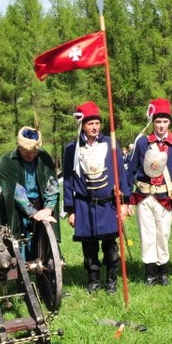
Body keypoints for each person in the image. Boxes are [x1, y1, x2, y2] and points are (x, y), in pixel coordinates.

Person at [62, 101, 130, 294]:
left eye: (97, 123)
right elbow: (68, 181)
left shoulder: (111, 144)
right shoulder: (71, 149)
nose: (94, 127)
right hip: (84, 205)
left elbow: (121, 175)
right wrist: (71, 210)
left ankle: (111, 281)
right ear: (82, 125)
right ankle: (93, 281)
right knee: (89, 249)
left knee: (110, 247)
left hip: (108, 205)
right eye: (90, 123)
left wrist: (124, 204)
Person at [125, 98, 172, 286]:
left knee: (163, 234)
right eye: (158, 121)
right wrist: (126, 200)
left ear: (170, 122)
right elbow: (130, 171)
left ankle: (163, 272)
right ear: (153, 122)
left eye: (165, 121)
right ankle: (150, 274)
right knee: (147, 234)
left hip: (164, 196)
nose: (161, 125)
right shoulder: (142, 143)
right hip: (144, 196)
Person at [0, 126, 60, 260]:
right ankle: (21, 273)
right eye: (27, 153)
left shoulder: (44, 157)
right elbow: (15, 192)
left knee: (45, 242)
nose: (31, 156)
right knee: (18, 241)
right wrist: (34, 213)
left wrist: (48, 208)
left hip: (40, 204)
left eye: (34, 153)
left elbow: (52, 183)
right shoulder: (7, 160)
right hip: (15, 208)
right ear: (19, 147)